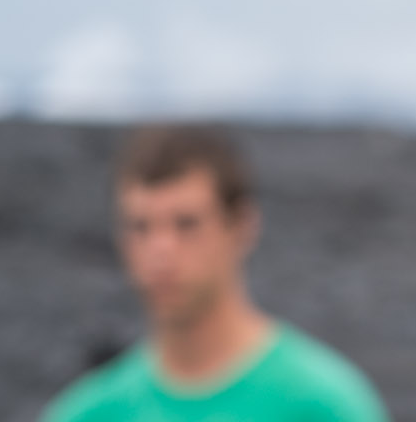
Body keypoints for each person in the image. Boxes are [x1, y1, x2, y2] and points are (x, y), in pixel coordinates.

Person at [42, 125, 389, 422]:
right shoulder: (88, 413)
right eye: (140, 227)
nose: (161, 251)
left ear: (242, 226)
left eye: (186, 224)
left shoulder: (324, 407)